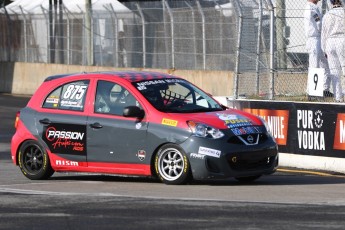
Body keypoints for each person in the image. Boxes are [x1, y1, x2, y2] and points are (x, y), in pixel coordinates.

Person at [304, 0, 333, 98]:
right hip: (314, 39)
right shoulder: (311, 8)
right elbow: (319, 24)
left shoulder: (315, 7)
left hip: (318, 38)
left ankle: (325, 89)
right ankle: (312, 91)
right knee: (314, 65)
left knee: (325, 63)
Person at [321, 0, 345, 102]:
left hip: (330, 42)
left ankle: (338, 97)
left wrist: (324, 49)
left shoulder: (327, 15)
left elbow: (323, 34)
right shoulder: (343, 12)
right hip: (342, 39)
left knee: (334, 72)